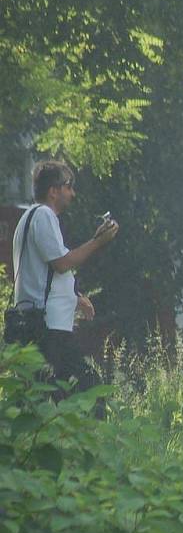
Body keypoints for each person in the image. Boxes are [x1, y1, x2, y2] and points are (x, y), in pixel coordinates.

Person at [12, 160, 119, 401]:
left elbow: (44, 272)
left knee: (42, 397)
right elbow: (61, 263)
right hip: (49, 327)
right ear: (53, 190)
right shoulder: (44, 215)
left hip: (37, 321)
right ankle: (89, 438)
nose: (73, 193)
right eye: (68, 186)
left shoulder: (28, 217)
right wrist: (98, 242)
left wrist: (75, 298)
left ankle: (44, 438)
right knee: (89, 392)